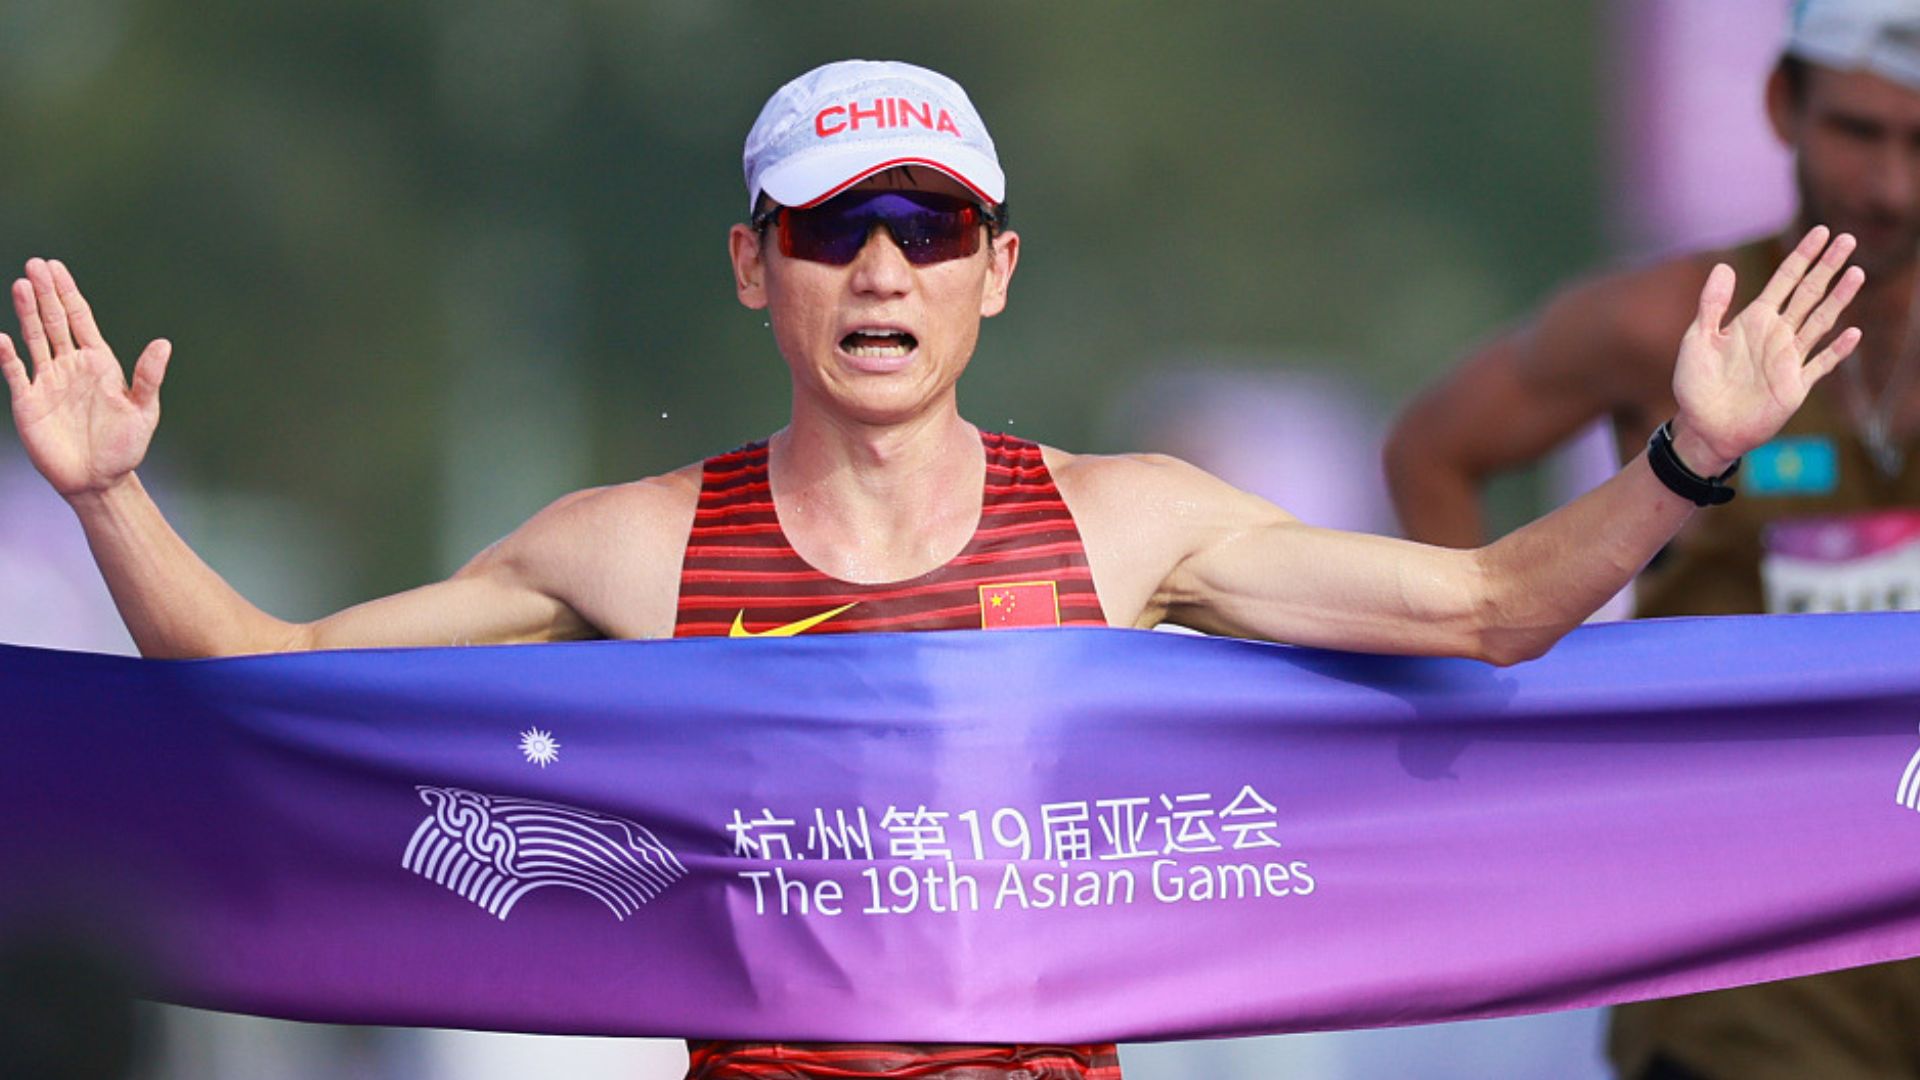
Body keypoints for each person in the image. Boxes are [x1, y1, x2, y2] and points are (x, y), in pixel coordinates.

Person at [0, 57, 1866, 1080]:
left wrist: (1692, 458)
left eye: (930, 226)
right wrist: (109, 504)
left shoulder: (1137, 524)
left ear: (998, 267)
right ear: (757, 268)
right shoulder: (634, 548)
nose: (882, 270)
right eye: (832, 230)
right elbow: (270, 680)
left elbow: (1488, 615)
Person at [1382, 2, 1920, 1077]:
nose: (1891, 186)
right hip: (1748, 944)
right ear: (1783, 106)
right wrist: (1487, 738)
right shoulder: (1669, 324)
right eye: (1858, 132)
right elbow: (1433, 451)